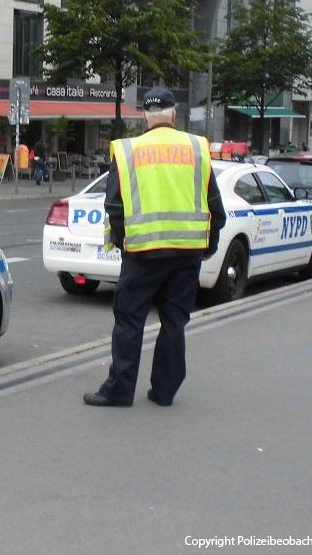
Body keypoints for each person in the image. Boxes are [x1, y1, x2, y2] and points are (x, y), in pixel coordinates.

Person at [83, 87, 227, 408]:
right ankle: (164, 391)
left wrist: (124, 244)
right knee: (174, 323)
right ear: (174, 115)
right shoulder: (196, 148)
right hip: (187, 253)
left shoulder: (128, 151)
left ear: (144, 117)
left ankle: (119, 390)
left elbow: (114, 206)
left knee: (130, 322)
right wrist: (208, 246)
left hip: (142, 254)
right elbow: (216, 208)